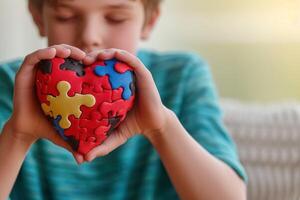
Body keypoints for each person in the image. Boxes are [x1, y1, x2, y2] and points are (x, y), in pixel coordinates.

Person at [0, 0, 247, 199]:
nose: (89, 37)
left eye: (115, 18)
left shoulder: (182, 76)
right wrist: (18, 135)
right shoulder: (10, 84)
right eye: (65, 16)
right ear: (38, 17)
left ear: (148, 21)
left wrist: (161, 128)